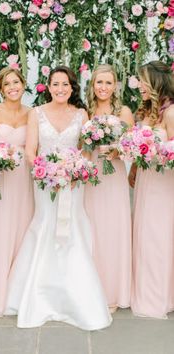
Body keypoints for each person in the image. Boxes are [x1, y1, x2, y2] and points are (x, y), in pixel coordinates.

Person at [4, 66, 112, 330]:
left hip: (74, 182)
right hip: (45, 183)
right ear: (48, 87)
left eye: (65, 84)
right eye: (56, 84)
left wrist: (75, 170)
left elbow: (86, 150)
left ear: (72, 87)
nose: (61, 89)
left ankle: (75, 296)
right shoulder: (36, 113)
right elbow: (31, 151)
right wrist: (48, 171)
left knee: (72, 226)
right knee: (45, 226)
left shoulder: (81, 114)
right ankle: (36, 294)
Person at [0, 67, 34, 316]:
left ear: (23, 84)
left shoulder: (32, 113)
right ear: (1, 89)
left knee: (21, 230)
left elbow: (35, 148)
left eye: (16, 82)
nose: (13, 87)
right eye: (7, 84)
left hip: (22, 180)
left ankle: (18, 288)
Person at [84, 64, 134, 313]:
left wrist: (115, 150)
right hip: (92, 176)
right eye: (99, 82)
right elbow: (81, 146)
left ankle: (113, 292)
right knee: (92, 230)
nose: (103, 87)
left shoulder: (123, 111)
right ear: (92, 85)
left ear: (115, 86)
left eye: (108, 83)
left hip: (113, 176)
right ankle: (91, 289)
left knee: (113, 231)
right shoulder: (86, 111)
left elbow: (132, 147)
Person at [130, 61, 174, 318]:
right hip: (146, 180)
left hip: (163, 183)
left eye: (143, 81)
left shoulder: (170, 113)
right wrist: (135, 166)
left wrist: (160, 152)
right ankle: (145, 289)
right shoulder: (147, 113)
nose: (139, 86)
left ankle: (159, 296)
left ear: (156, 83)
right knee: (144, 234)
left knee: (158, 236)